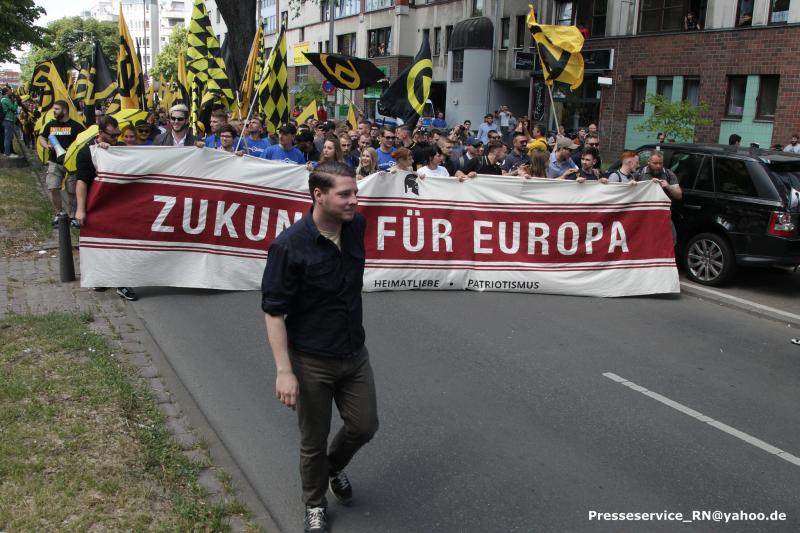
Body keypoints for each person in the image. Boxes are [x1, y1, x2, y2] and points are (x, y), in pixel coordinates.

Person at [262, 161, 378, 533]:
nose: (353, 201)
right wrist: (284, 371)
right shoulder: (288, 247)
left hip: (353, 354)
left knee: (364, 426)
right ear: (319, 195)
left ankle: (334, 467)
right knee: (312, 441)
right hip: (310, 361)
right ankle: (314, 503)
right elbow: (274, 312)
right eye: (345, 194)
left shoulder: (355, 226)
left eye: (355, 192)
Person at [73, 116, 138, 302]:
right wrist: (80, 209)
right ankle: (102, 277)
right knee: (99, 244)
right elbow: (81, 182)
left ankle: (123, 283)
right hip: (98, 205)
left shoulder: (121, 150)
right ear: (100, 134)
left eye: (118, 134)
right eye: (112, 135)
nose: (115, 139)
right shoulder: (87, 153)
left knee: (122, 245)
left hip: (121, 206)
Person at [39, 100, 86, 223]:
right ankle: (59, 213)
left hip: (71, 164)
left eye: (56, 109)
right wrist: (46, 146)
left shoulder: (76, 126)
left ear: (64, 110)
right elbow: (41, 136)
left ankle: (71, 216)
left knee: (71, 191)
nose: (54, 111)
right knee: (53, 187)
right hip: (54, 161)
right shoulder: (51, 124)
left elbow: (84, 142)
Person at [1, 87, 18, 158]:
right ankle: (7, 153)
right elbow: (13, 108)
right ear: (6, 92)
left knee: (9, 137)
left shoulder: (4, 99)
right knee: (8, 137)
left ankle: (7, 152)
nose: (11, 91)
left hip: (7, 119)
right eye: (9, 90)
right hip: (8, 120)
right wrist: (16, 102)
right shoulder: (6, 100)